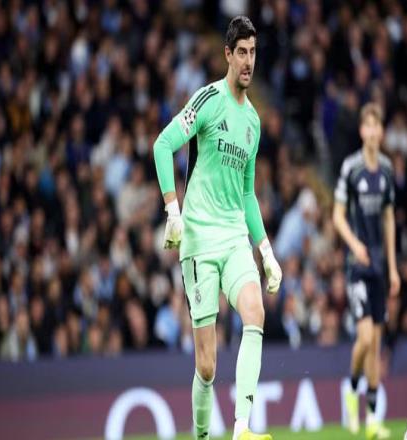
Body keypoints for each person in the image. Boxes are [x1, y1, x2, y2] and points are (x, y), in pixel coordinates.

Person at [153, 16, 282, 440]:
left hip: (234, 239)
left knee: (255, 312)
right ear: (227, 54)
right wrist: (173, 211)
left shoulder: (254, 123)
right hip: (199, 242)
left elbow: (247, 195)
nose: (248, 61)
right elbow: (162, 145)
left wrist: (266, 252)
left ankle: (242, 428)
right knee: (206, 367)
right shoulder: (208, 100)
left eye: (253, 53)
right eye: (241, 52)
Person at [333, 103, 400, 439]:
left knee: (376, 344)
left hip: (379, 268)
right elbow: (337, 216)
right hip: (357, 266)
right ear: (362, 131)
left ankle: (372, 419)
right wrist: (354, 245)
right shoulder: (352, 168)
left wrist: (393, 267)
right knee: (365, 338)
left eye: (377, 126)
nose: (373, 132)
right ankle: (351, 388)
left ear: (381, 132)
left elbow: (389, 218)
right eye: (368, 126)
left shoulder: (386, 169)